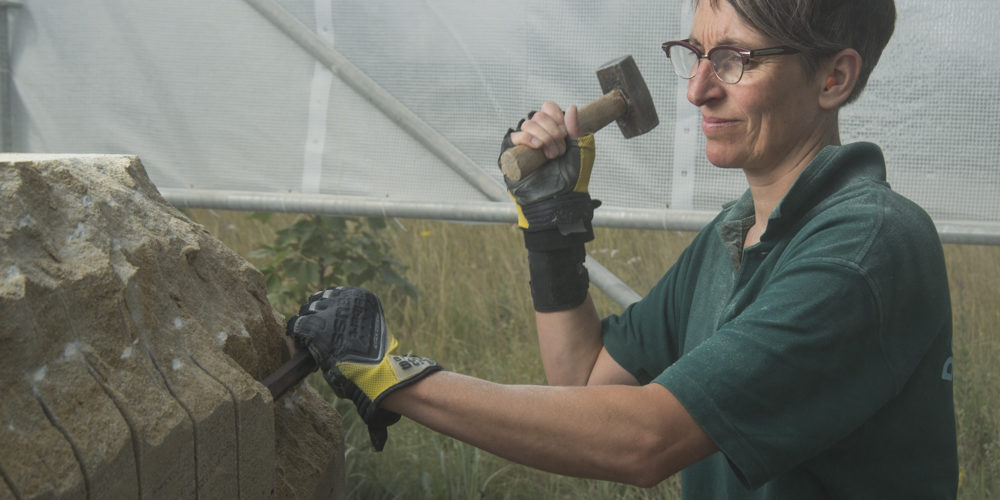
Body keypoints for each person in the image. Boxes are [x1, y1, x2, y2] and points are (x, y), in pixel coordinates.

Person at [287, 0, 959, 497]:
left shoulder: (865, 247)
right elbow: (582, 383)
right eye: (695, 55)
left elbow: (645, 440)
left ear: (833, 79)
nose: (697, 89)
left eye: (735, 60)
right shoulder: (734, 234)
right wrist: (551, 226)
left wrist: (393, 377)